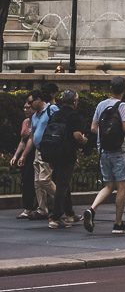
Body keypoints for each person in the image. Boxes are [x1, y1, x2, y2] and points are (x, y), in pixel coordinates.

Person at [83, 76, 125, 235]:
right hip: (118, 150)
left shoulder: (101, 104)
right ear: (124, 89)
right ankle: (118, 223)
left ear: (110, 89)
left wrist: (105, 134)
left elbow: (93, 128)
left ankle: (92, 209)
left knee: (108, 185)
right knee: (121, 187)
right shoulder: (122, 105)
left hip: (103, 150)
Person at [42, 89, 87, 229]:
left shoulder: (56, 114)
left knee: (62, 182)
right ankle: (55, 217)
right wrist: (84, 140)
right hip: (67, 153)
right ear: (74, 102)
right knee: (62, 184)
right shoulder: (74, 116)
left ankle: (70, 213)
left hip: (54, 152)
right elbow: (77, 135)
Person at [27, 88, 59, 220]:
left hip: (48, 150)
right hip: (38, 150)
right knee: (37, 182)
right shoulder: (34, 116)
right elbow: (32, 135)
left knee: (44, 180)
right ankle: (42, 208)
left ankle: (62, 201)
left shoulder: (52, 109)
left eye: (31, 102)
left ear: (39, 99)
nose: (29, 105)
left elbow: (60, 126)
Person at [12, 95, 37, 219]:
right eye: (24, 108)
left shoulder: (38, 120)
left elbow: (32, 140)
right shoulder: (26, 122)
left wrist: (23, 155)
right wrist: (16, 156)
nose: (26, 110)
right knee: (27, 180)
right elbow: (23, 141)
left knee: (38, 181)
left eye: (28, 108)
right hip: (27, 155)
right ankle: (28, 207)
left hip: (35, 152)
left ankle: (38, 206)